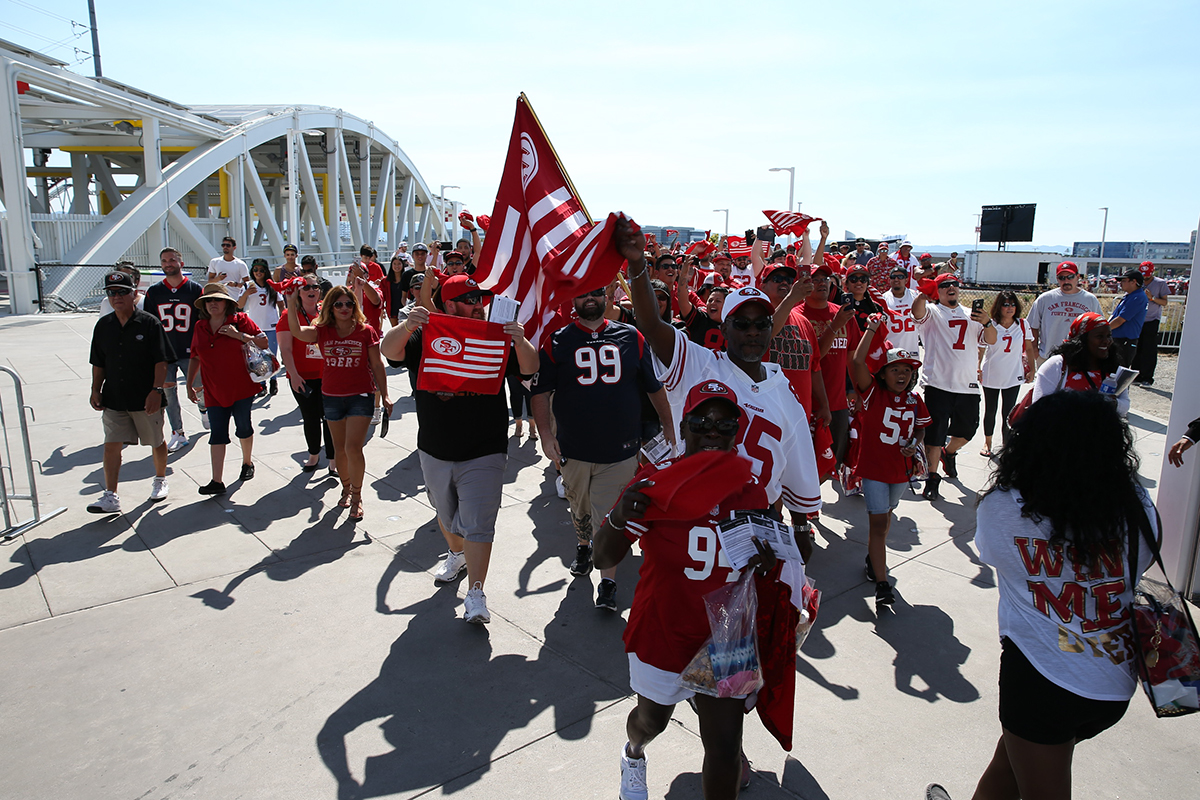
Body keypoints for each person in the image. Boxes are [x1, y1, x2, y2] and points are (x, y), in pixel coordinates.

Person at [931, 391, 1158, 800]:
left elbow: (991, 554)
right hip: (1113, 680)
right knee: (1010, 764)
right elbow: (1142, 562)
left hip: (1042, 680)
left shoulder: (1005, 506)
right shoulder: (1138, 505)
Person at [593, 380, 782, 800]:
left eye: (724, 423)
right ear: (685, 424)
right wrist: (620, 517)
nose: (712, 430)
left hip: (726, 634)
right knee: (651, 721)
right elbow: (602, 556)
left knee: (725, 744)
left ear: (738, 429)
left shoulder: (752, 488)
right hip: (664, 628)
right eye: (702, 420)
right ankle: (633, 752)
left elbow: (767, 556)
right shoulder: (657, 481)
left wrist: (769, 562)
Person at [620, 218, 822, 555]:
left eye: (761, 324)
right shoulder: (701, 365)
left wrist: (800, 527)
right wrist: (639, 264)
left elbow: (798, 471)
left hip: (756, 526)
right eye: (742, 324)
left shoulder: (785, 393)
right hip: (690, 518)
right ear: (724, 329)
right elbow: (652, 325)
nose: (753, 332)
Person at [380, 274, 539, 624]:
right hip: (435, 447)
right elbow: (388, 350)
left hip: (485, 448)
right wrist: (407, 325)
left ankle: (476, 593)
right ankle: (456, 553)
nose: (479, 305)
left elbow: (530, 367)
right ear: (449, 304)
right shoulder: (426, 333)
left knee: (480, 524)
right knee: (446, 512)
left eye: (480, 298)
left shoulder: (496, 336)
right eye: (469, 299)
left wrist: (520, 340)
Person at [531, 286, 671, 611]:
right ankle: (582, 545)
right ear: (573, 300)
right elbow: (540, 392)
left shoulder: (632, 336)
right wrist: (545, 433)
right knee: (579, 508)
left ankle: (607, 580)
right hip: (574, 447)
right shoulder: (557, 341)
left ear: (607, 296)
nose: (589, 298)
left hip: (620, 448)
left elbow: (653, 385)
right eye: (582, 294)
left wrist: (668, 425)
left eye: (595, 292)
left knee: (609, 515)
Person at [286, 285, 391, 520]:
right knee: (340, 449)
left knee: (354, 448)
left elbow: (377, 365)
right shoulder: (322, 330)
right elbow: (296, 331)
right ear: (331, 307)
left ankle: (357, 497)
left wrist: (385, 395)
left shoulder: (366, 331)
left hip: (360, 396)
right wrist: (292, 302)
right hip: (331, 396)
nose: (345, 308)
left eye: (349, 303)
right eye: (339, 304)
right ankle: (345, 487)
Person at [850, 317, 929, 608]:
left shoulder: (914, 400)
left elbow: (921, 426)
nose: (902, 375)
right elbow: (858, 361)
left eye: (907, 371)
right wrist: (871, 328)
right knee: (878, 522)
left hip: (901, 471)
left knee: (886, 521)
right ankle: (883, 585)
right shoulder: (872, 394)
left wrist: (915, 443)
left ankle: (874, 558)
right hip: (874, 470)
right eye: (895, 369)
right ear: (882, 374)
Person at [87, 271, 174, 513]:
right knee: (111, 445)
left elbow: (161, 360)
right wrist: (95, 389)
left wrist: (156, 390)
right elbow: (99, 362)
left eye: (122, 292)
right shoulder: (103, 326)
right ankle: (110, 495)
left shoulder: (149, 323)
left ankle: (160, 479)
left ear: (134, 294)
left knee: (156, 441)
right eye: (112, 293)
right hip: (114, 397)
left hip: (146, 397)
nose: (117, 297)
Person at [910, 274, 997, 500]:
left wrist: (987, 322)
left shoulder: (972, 314)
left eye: (954, 285)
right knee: (935, 435)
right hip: (937, 383)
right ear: (937, 291)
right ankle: (932, 478)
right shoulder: (933, 311)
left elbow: (991, 340)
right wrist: (923, 293)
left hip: (966, 385)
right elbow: (916, 312)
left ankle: (949, 453)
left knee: (968, 431)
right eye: (944, 285)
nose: (951, 288)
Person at [186, 283, 268, 496]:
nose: (213, 304)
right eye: (209, 300)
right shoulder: (200, 326)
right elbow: (195, 356)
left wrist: (239, 335)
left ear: (226, 303)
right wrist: (189, 384)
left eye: (217, 300)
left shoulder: (240, 321)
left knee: (243, 427)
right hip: (213, 389)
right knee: (217, 433)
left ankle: (247, 462)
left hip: (241, 387)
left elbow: (263, 342)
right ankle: (217, 480)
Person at [143, 247, 204, 452]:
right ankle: (178, 432)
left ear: (181, 263)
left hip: (190, 350)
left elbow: (202, 320)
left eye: (171, 260)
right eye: (164, 260)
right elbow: (150, 325)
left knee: (199, 388)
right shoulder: (154, 292)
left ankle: (204, 409)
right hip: (164, 353)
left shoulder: (195, 289)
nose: (168, 263)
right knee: (168, 393)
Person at [278, 273, 334, 472]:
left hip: (326, 375)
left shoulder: (326, 313)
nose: (312, 291)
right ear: (299, 292)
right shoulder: (288, 315)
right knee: (310, 417)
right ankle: (313, 455)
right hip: (303, 376)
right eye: (307, 287)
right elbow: (285, 348)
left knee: (330, 417)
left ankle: (333, 459)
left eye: (315, 287)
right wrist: (293, 374)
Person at [1031, 312, 1129, 417]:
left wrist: (1114, 404)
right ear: (1082, 340)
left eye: (1109, 336)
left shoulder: (1112, 367)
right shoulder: (1058, 365)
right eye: (1099, 336)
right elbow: (1039, 407)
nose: (1107, 341)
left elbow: (1125, 405)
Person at [977, 291, 1035, 457]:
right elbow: (981, 349)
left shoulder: (1023, 325)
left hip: (1013, 375)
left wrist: (1032, 368)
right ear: (999, 307)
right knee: (990, 410)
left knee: (1009, 412)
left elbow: (1029, 348)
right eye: (1006, 304)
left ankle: (1006, 445)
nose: (1010, 308)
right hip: (992, 374)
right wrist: (977, 366)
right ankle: (987, 442)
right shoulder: (991, 325)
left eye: (1012, 304)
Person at [1026, 262, 1101, 366]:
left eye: (1070, 277)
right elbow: (1032, 326)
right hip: (1048, 357)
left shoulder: (1090, 299)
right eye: (1062, 278)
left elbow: (1098, 327)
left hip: (1080, 357)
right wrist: (1035, 351)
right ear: (1057, 279)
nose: (1066, 281)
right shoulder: (1045, 299)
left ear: (1078, 277)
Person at [238, 258, 281, 397]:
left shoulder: (271, 286)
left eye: (261, 270)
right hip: (255, 327)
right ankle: (261, 385)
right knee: (257, 357)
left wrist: (282, 319)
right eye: (255, 269)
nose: (258, 272)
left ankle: (273, 381)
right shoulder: (247, 286)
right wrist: (246, 294)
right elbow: (239, 305)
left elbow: (281, 304)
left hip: (271, 324)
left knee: (272, 355)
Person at [1132, 261, 1171, 386]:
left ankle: (1147, 377)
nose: (1145, 277)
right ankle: (1136, 375)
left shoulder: (1160, 283)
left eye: (1147, 275)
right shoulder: (1137, 282)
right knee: (1136, 348)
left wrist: (1152, 297)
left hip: (1152, 319)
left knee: (1149, 349)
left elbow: (1164, 302)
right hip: (1137, 319)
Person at [1108, 269, 1148, 368]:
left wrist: (1103, 329)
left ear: (1134, 282)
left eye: (1124, 280)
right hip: (1119, 339)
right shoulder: (1130, 296)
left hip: (1125, 341)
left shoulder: (1137, 297)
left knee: (1119, 372)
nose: (1120, 283)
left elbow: (1121, 319)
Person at [882, 265, 921, 354]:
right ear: (889, 280)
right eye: (893, 277)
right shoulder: (883, 299)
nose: (896, 280)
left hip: (912, 349)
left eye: (900, 277)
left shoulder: (916, 296)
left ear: (906, 280)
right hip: (891, 350)